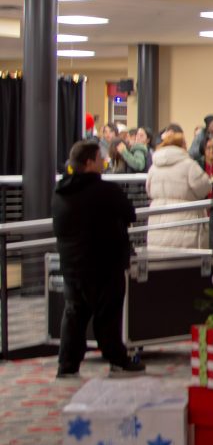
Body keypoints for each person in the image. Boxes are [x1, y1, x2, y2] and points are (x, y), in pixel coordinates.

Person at [53, 140, 142, 377]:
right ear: (90, 162)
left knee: (74, 315)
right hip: (105, 265)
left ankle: (67, 365)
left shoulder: (60, 193)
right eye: (100, 157)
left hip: (72, 265)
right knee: (108, 316)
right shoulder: (105, 191)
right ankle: (117, 359)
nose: (104, 161)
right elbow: (129, 213)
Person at [147, 126, 213, 249]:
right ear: (182, 146)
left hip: (158, 220)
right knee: (186, 264)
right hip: (186, 221)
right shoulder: (188, 165)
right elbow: (204, 187)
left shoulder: (154, 167)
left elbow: (148, 190)